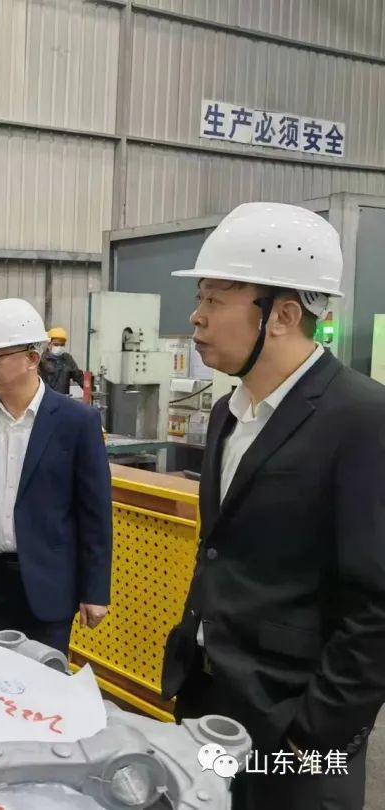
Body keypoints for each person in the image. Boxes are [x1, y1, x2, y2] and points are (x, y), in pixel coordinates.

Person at [161, 202, 385, 810]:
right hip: (210, 703)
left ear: (283, 315)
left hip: (293, 729)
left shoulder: (362, 420)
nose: (196, 316)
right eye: (200, 298)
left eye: (215, 300)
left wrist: (312, 738)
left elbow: (374, 609)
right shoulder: (227, 413)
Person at [0, 298, 111, 655]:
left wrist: (95, 590)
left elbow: (94, 514)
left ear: (32, 358)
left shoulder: (76, 422)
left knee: (44, 677)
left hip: (50, 584)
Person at [39, 326, 84, 395]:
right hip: (47, 397)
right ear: (48, 344)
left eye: (62, 345)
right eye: (56, 344)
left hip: (63, 398)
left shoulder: (67, 359)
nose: (59, 347)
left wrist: (89, 388)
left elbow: (78, 376)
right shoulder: (41, 360)